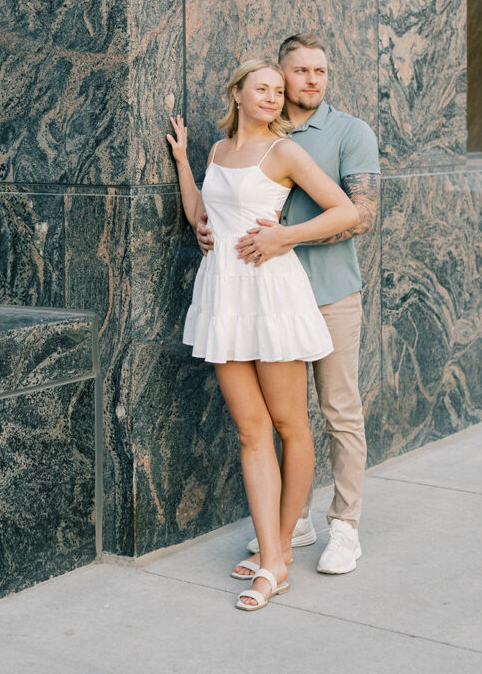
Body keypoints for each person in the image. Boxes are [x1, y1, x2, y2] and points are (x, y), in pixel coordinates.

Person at [167, 58, 358, 612]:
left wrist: (286, 236)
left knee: (290, 427)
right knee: (251, 433)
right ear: (239, 93)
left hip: (271, 296)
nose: (275, 97)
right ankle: (273, 554)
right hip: (225, 298)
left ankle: (278, 558)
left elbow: (344, 210)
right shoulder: (219, 151)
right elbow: (201, 216)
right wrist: (182, 160)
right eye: (265, 89)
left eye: (280, 90)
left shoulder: (286, 152)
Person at [198, 34, 380, 576]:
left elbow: (361, 213)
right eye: (296, 72)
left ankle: (344, 527)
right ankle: (289, 525)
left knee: (337, 411)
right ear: (267, 81)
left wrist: (286, 237)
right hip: (260, 298)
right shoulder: (251, 137)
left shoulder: (349, 132)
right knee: (277, 421)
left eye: (318, 71)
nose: (309, 81)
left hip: (327, 291)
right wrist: (206, 221)